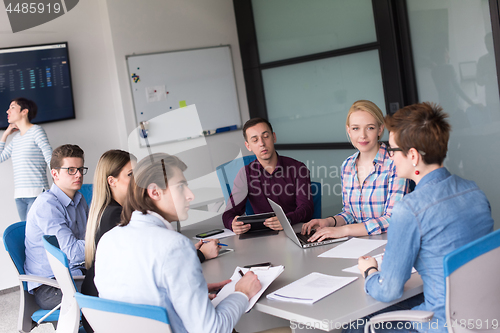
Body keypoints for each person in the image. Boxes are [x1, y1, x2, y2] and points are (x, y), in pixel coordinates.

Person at [348, 103, 494, 333]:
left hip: (442, 323)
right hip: (484, 315)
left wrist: (370, 271)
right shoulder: (474, 191)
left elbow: (389, 291)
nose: (389, 155)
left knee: (354, 325)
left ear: (413, 156)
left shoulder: (410, 209)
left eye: (393, 149)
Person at [94, 153, 263, 332]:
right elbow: (212, 329)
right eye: (181, 187)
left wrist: (189, 292)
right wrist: (241, 293)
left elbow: (137, 297)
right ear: (154, 192)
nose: (190, 196)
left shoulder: (108, 240)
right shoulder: (175, 246)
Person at [302, 100, 408, 241]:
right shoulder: (347, 165)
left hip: (389, 242)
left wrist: (344, 231)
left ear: (380, 129)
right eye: (356, 128)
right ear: (349, 131)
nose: (362, 135)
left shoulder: (394, 163)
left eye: (370, 128)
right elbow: (350, 214)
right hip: (358, 243)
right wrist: (328, 222)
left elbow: (392, 219)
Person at [222, 118, 314, 234]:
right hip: (263, 235)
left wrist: (286, 220)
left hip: (294, 231)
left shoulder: (298, 168)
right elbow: (228, 214)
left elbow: (306, 208)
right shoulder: (245, 174)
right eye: (255, 140)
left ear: (274, 137)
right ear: (248, 146)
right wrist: (232, 223)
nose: (262, 143)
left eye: (266, 136)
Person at [24, 144, 88, 310]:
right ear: (55, 173)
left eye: (81, 169)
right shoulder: (47, 205)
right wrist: (102, 240)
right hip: (51, 287)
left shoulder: (79, 199)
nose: (79, 175)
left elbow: (88, 241)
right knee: (108, 291)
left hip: (75, 274)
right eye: (71, 170)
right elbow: (73, 253)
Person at [0, 98, 52, 221]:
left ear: (24, 112)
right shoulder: (16, 139)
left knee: (35, 235)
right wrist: (5, 135)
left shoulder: (36, 131)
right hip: (19, 196)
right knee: (26, 235)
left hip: (37, 193)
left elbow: (48, 155)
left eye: (12, 107)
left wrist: (58, 180)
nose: (8, 111)